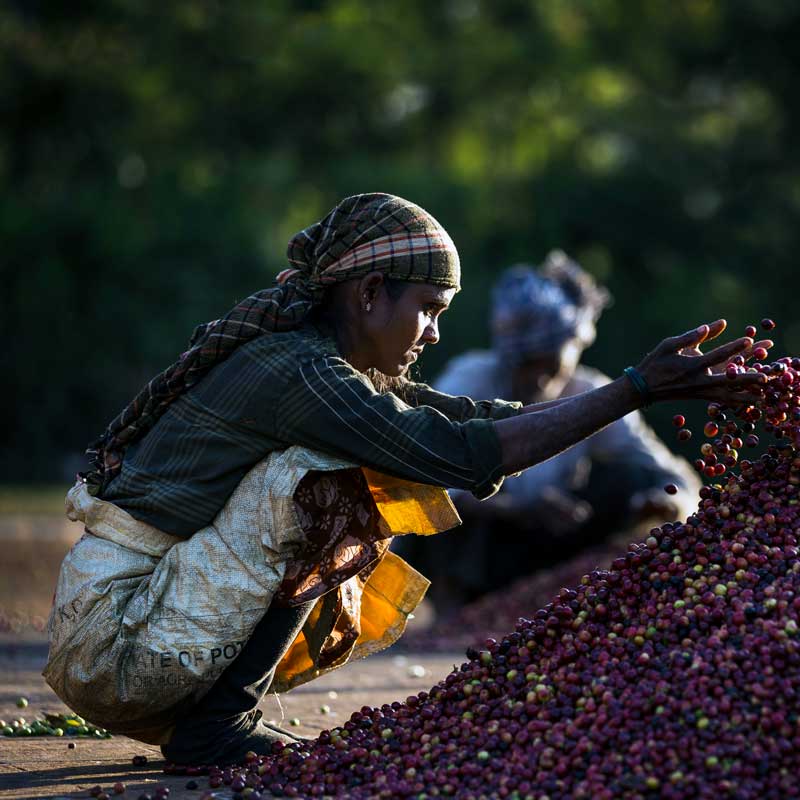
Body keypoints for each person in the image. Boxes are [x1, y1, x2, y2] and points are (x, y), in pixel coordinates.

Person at [44, 193, 766, 767]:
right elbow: (457, 450)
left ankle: (214, 720)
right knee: (332, 480)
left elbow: (469, 417)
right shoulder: (301, 372)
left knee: (360, 467)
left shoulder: (329, 369)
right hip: (121, 644)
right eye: (427, 311)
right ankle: (217, 728)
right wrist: (636, 387)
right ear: (369, 292)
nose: (434, 335)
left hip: (148, 632)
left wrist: (637, 390)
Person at [396, 254, 701, 612]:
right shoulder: (471, 378)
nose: (538, 377)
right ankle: (456, 610)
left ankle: (575, 602)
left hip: (554, 543)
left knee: (632, 477)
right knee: (441, 503)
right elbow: (422, 478)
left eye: (550, 361)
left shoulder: (591, 391)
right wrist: (515, 508)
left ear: (575, 347)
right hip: (481, 547)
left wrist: (666, 501)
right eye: (526, 363)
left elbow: (668, 473)